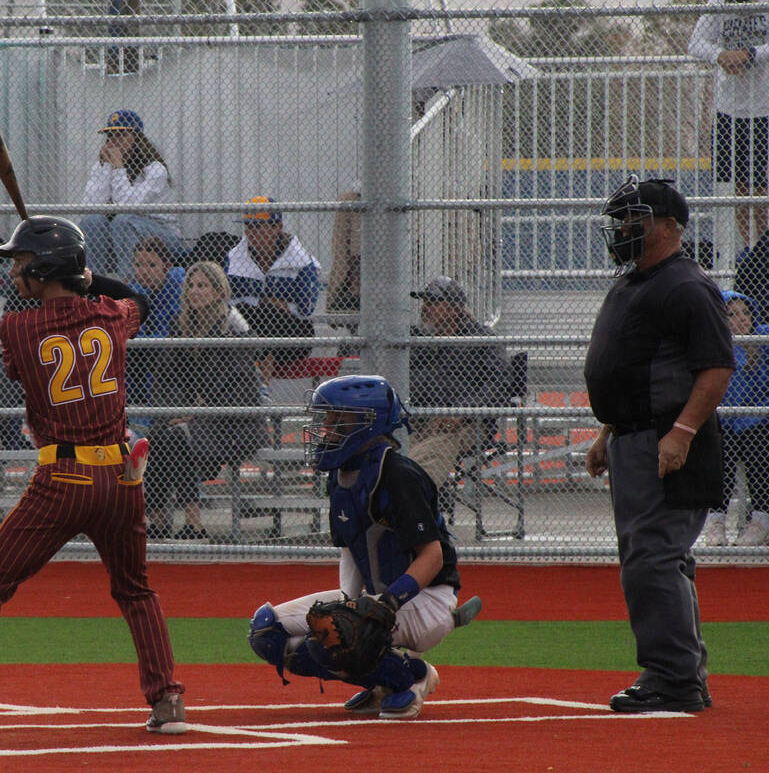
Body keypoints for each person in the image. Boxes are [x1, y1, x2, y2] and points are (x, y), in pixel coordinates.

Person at [0, 216, 187, 738]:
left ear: (46, 270)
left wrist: (68, 284)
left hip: (62, 478)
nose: (17, 273)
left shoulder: (17, 327)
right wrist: (87, 282)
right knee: (135, 591)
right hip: (119, 477)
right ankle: (168, 700)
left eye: (23, 265)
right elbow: (141, 302)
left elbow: (18, 368)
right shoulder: (111, 314)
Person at [583, 176, 734, 713]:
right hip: (635, 440)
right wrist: (607, 432)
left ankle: (672, 678)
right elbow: (632, 368)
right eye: (620, 220)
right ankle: (682, 673)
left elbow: (715, 368)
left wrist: (682, 433)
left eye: (635, 219)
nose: (624, 230)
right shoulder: (635, 282)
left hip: (668, 446)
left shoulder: (686, 286)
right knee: (654, 557)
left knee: (653, 558)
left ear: (669, 227)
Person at [247, 375, 480, 719]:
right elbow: (351, 550)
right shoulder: (340, 475)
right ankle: (382, 678)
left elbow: (433, 556)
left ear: (368, 423)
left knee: (332, 637)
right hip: (379, 598)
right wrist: (349, 604)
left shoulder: (398, 473)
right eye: (326, 418)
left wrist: (387, 603)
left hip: (426, 599)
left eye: (337, 419)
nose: (326, 428)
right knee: (266, 630)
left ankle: (409, 679)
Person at [146, 261, 264, 540]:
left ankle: (192, 522)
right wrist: (180, 409)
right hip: (188, 418)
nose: (194, 291)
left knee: (176, 436)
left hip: (230, 423)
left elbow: (236, 387)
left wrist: (196, 412)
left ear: (218, 290)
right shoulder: (181, 325)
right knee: (158, 435)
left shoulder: (231, 326)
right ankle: (160, 519)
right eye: (191, 285)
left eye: (202, 285)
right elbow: (167, 378)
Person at [688, 0, 769, 258]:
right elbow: (695, 44)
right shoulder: (718, 3)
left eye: (744, 1)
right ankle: (748, 248)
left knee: (761, 187)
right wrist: (721, 55)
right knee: (738, 186)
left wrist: (749, 55)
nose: (738, 7)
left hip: (765, 109)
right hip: (730, 110)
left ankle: (762, 246)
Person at [702, 290, 769, 546]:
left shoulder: (765, 337)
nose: (742, 319)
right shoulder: (717, 344)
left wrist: (760, 412)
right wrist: (729, 418)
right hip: (729, 422)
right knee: (723, 442)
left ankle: (761, 519)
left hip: (767, 420)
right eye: (732, 314)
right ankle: (717, 518)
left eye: (746, 312)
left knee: (757, 440)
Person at [405, 275, 511, 490]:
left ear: (454, 309)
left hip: (469, 423)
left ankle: (413, 494)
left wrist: (461, 413)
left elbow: (497, 385)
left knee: (437, 445)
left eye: (434, 302)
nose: (426, 308)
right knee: (394, 446)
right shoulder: (420, 341)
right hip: (423, 418)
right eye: (425, 302)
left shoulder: (481, 338)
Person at [224, 196, 321, 388]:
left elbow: (305, 309)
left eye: (258, 227)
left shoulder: (301, 261)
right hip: (248, 330)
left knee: (267, 315)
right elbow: (228, 302)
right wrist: (270, 303)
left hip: (291, 337)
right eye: (248, 227)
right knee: (250, 312)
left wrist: (260, 303)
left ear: (277, 227)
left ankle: (261, 378)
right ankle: (262, 382)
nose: (251, 233)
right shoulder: (235, 258)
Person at [79, 110, 181, 278]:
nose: (115, 141)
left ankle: (129, 287)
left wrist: (119, 167)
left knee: (123, 221)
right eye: (111, 136)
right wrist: (107, 168)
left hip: (162, 236)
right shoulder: (104, 165)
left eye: (121, 135)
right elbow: (89, 206)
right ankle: (94, 287)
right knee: (92, 221)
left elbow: (128, 206)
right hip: (120, 237)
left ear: (137, 137)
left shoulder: (155, 169)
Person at [124, 235, 184, 425]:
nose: (144, 272)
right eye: (139, 265)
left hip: (170, 356)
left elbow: (172, 329)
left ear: (166, 266)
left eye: (151, 265)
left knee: (156, 356)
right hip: (141, 355)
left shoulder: (178, 289)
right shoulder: (131, 292)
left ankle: (155, 419)